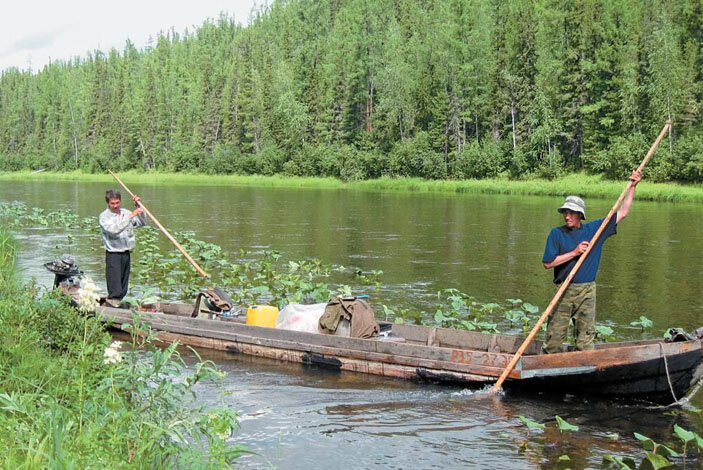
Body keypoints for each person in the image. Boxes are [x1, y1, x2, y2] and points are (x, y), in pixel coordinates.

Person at [541, 170, 642, 354]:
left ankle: (582, 371)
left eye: (571, 213)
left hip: (587, 291)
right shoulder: (557, 233)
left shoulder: (595, 230)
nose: (567, 216)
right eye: (565, 212)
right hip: (563, 289)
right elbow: (548, 263)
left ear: (580, 215)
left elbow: (623, 212)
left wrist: (633, 186)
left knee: (585, 341)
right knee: (554, 340)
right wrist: (574, 252)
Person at [99, 189, 147, 306]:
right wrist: (130, 216)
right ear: (108, 203)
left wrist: (139, 207)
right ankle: (113, 305)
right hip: (113, 254)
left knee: (124, 284)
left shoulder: (126, 212)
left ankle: (121, 303)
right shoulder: (104, 217)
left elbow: (142, 223)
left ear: (120, 201)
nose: (115, 206)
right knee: (115, 287)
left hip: (126, 253)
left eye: (117, 203)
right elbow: (114, 230)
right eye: (112, 203)